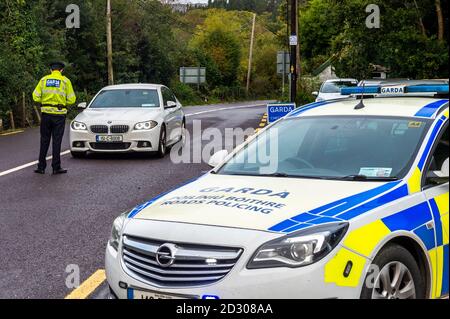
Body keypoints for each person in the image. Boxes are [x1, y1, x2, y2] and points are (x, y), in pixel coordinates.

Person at [32, 61, 76, 175]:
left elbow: (35, 96)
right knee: (57, 141)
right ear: (61, 70)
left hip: (46, 114)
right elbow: (72, 99)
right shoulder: (65, 81)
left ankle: (41, 167)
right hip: (59, 114)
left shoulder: (43, 80)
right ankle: (56, 167)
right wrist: (62, 102)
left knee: (44, 140)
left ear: (51, 70)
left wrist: (45, 102)